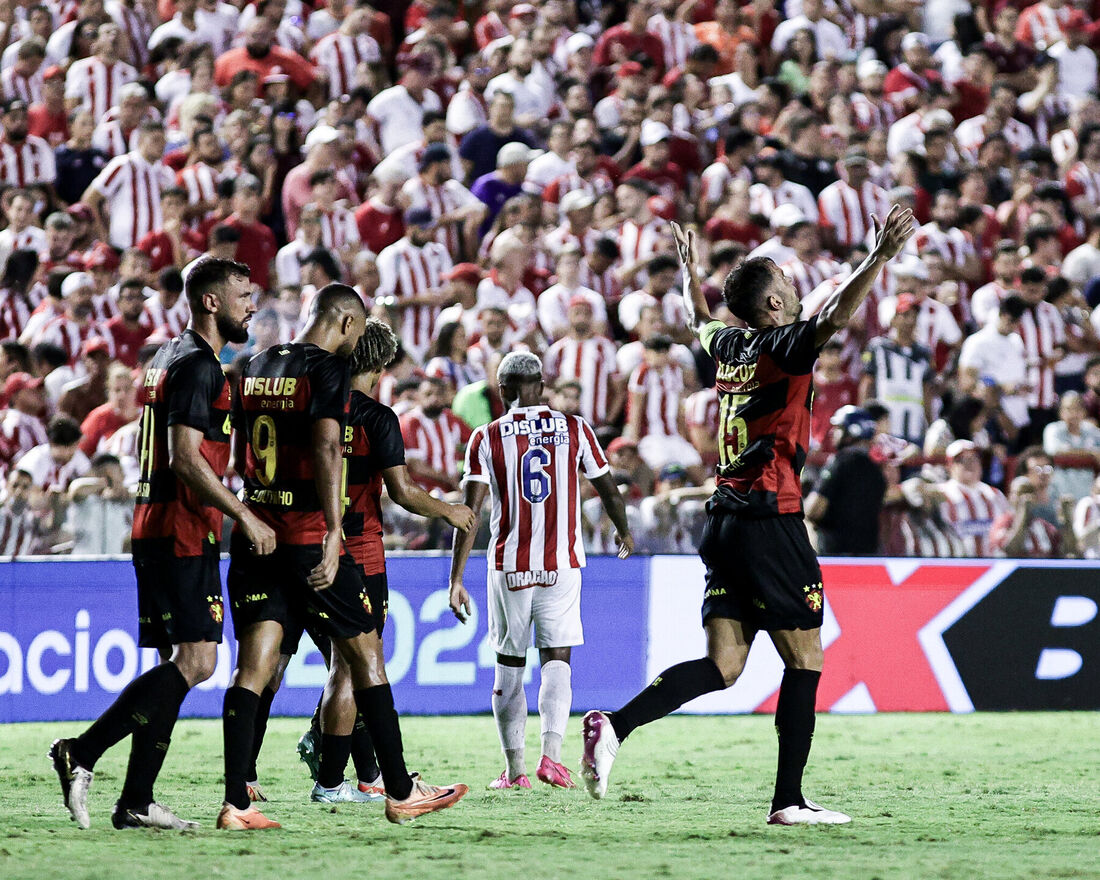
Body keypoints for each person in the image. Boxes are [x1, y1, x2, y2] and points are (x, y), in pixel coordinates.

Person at [578, 205, 914, 824]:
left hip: (724, 521)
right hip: (771, 515)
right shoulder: (787, 347)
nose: (795, 288)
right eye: (787, 284)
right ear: (778, 308)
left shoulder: (727, 344)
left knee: (725, 666)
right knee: (806, 657)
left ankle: (615, 725)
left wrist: (689, 271)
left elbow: (695, 317)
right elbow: (837, 315)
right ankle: (789, 800)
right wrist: (878, 259)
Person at [220, 284, 468, 829]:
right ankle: (398, 790)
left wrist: (256, 503)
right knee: (364, 659)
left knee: (255, 666)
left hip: (259, 530)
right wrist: (334, 531)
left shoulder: (255, 362)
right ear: (348, 324)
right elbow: (328, 447)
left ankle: (235, 801)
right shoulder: (328, 371)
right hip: (309, 535)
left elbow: (241, 447)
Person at [48, 257, 274, 831]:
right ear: (211, 302)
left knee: (178, 664)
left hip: (155, 524)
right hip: (180, 526)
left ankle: (137, 801)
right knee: (199, 661)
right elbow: (185, 458)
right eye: (243, 295)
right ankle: (82, 751)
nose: (253, 304)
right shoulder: (201, 367)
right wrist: (244, 516)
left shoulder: (164, 358)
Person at [448, 351, 633, 790]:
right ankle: (552, 759)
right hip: (563, 562)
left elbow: (468, 512)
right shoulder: (574, 428)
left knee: (509, 666)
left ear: (505, 391)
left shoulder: (486, 437)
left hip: (510, 564)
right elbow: (608, 486)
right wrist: (624, 531)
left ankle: (515, 772)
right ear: (542, 387)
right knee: (558, 658)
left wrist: (455, 578)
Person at [805, 406, 887, 555]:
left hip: (835, 554)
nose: (832, 433)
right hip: (869, 555)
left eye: (839, 429)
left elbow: (813, 510)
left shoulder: (839, 462)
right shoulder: (877, 471)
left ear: (853, 431)